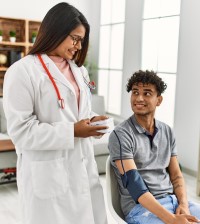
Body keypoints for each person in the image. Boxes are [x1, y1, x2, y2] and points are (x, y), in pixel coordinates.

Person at [3, 2, 108, 224]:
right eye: (75, 38)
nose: (78, 46)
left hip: (83, 167)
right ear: (55, 31)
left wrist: (92, 125)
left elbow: (79, 112)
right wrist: (73, 131)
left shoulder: (80, 71)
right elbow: (21, 131)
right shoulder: (21, 72)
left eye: (82, 40)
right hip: (47, 176)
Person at [108, 70, 200, 224]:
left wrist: (183, 205)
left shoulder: (167, 131)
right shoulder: (120, 135)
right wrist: (171, 219)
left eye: (147, 93)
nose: (139, 98)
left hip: (173, 201)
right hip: (140, 209)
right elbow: (135, 185)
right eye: (135, 92)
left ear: (159, 100)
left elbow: (176, 176)